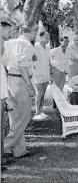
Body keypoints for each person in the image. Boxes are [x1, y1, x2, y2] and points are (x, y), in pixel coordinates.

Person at [3, 24, 38, 159]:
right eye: (35, 30)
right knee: (23, 118)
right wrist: (30, 85)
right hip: (21, 82)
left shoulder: (9, 43)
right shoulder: (27, 44)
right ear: (31, 32)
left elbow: (4, 63)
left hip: (11, 80)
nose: (36, 33)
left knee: (15, 118)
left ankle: (19, 150)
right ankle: (4, 146)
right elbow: (23, 66)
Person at [1, 21, 17, 170]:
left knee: (1, 127)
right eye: (8, 31)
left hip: (2, 94)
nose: (10, 34)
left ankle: (1, 158)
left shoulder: (3, 49)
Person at [32, 30, 51, 121]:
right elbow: (31, 59)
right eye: (46, 37)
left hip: (46, 73)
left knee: (43, 94)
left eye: (48, 37)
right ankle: (37, 113)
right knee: (39, 93)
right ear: (41, 37)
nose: (48, 39)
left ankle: (41, 111)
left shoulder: (48, 47)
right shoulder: (35, 47)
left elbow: (48, 61)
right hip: (38, 73)